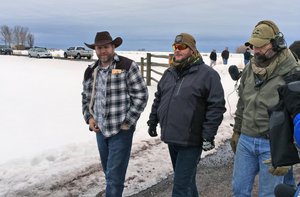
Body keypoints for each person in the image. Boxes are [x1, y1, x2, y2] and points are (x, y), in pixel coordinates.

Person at [147, 33, 226, 197]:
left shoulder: (207, 74)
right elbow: (159, 98)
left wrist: (208, 135)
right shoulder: (170, 73)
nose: (177, 50)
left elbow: (216, 106)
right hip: (172, 137)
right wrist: (153, 121)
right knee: (187, 182)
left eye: (182, 47)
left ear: (192, 49)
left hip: (191, 140)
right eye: (175, 47)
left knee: (180, 187)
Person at [230, 20, 300, 196]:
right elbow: (242, 102)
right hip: (246, 139)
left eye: (261, 46)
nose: (256, 50)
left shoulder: (292, 71)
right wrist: (237, 131)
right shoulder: (250, 68)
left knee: (268, 195)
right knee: (239, 190)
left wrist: (287, 154)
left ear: (276, 43)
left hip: (272, 143)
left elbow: (297, 114)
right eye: (253, 46)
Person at [81, 31, 148, 197]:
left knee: (115, 177)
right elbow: (86, 98)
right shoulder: (90, 70)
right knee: (109, 172)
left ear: (113, 47)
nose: (103, 51)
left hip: (121, 130)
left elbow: (141, 95)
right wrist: (89, 118)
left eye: (106, 47)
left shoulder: (127, 66)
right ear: (95, 49)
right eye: (99, 47)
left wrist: (128, 122)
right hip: (100, 130)